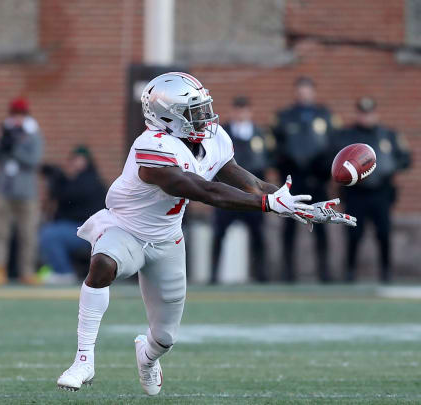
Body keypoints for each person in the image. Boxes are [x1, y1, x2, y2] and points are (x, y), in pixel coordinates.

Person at [55, 72, 355, 396]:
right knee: (103, 263)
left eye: (203, 108)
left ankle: (147, 356)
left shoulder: (210, 139)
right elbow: (205, 190)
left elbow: (245, 180)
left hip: (168, 240)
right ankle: (83, 359)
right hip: (126, 229)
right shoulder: (151, 147)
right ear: (167, 115)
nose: (204, 117)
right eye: (193, 111)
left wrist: (291, 202)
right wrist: (268, 204)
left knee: (165, 338)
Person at [335, 97, 412, 283]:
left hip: (381, 192)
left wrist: (388, 166)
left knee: (384, 233)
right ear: (358, 114)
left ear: (375, 114)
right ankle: (350, 271)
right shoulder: (347, 135)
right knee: (354, 233)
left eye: (369, 113)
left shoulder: (388, 135)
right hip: (356, 193)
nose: (366, 117)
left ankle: (386, 271)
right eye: (362, 113)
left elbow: (405, 158)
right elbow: (336, 158)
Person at [271, 76, 339, 283]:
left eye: (307, 90)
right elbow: (276, 149)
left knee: (320, 225)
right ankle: (287, 272)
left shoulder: (325, 115)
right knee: (289, 227)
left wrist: (321, 170)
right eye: (300, 90)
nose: (303, 94)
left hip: (317, 180)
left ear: (313, 92)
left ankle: (324, 272)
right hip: (294, 180)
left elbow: (333, 147)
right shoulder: (284, 117)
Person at [210, 96, 271, 284]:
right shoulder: (223, 133)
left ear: (249, 112)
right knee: (219, 233)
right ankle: (214, 274)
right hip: (227, 190)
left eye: (244, 110)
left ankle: (261, 274)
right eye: (237, 110)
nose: (241, 114)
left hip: (252, 192)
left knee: (258, 233)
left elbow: (266, 160)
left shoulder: (259, 134)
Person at [0, 97, 44, 285]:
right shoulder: (4, 132)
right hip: (3, 190)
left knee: (28, 233)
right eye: (14, 115)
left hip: (26, 193)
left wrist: (15, 147)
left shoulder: (33, 134)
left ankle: (27, 271)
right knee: (1, 232)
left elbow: (34, 160)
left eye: (21, 115)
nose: (17, 119)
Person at [39, 146, 106, 284]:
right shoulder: (78, 180)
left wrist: (58, 179)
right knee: (50, 230)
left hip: (89, 231)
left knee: (50, 234)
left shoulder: (90, 181)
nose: (75, 163)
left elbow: (71, 195)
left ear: (87, 161)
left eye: (79, 159)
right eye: (73, 159)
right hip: (80, 228)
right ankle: (58, 270)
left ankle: (64, 272)